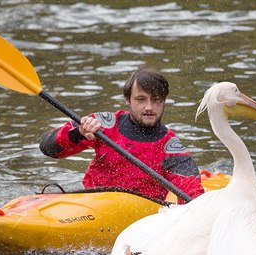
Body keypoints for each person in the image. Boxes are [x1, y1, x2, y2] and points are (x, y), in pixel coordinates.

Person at [39, 68, 204, 204]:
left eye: (156, 100)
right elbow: (48, 148)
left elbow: (193, 199)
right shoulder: (103, 125)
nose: (149, 107)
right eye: (141, 99)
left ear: (164, 102)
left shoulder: (171, 148)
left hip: (140, 214)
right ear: (128, 99)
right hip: (93, 204)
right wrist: (78, 133)